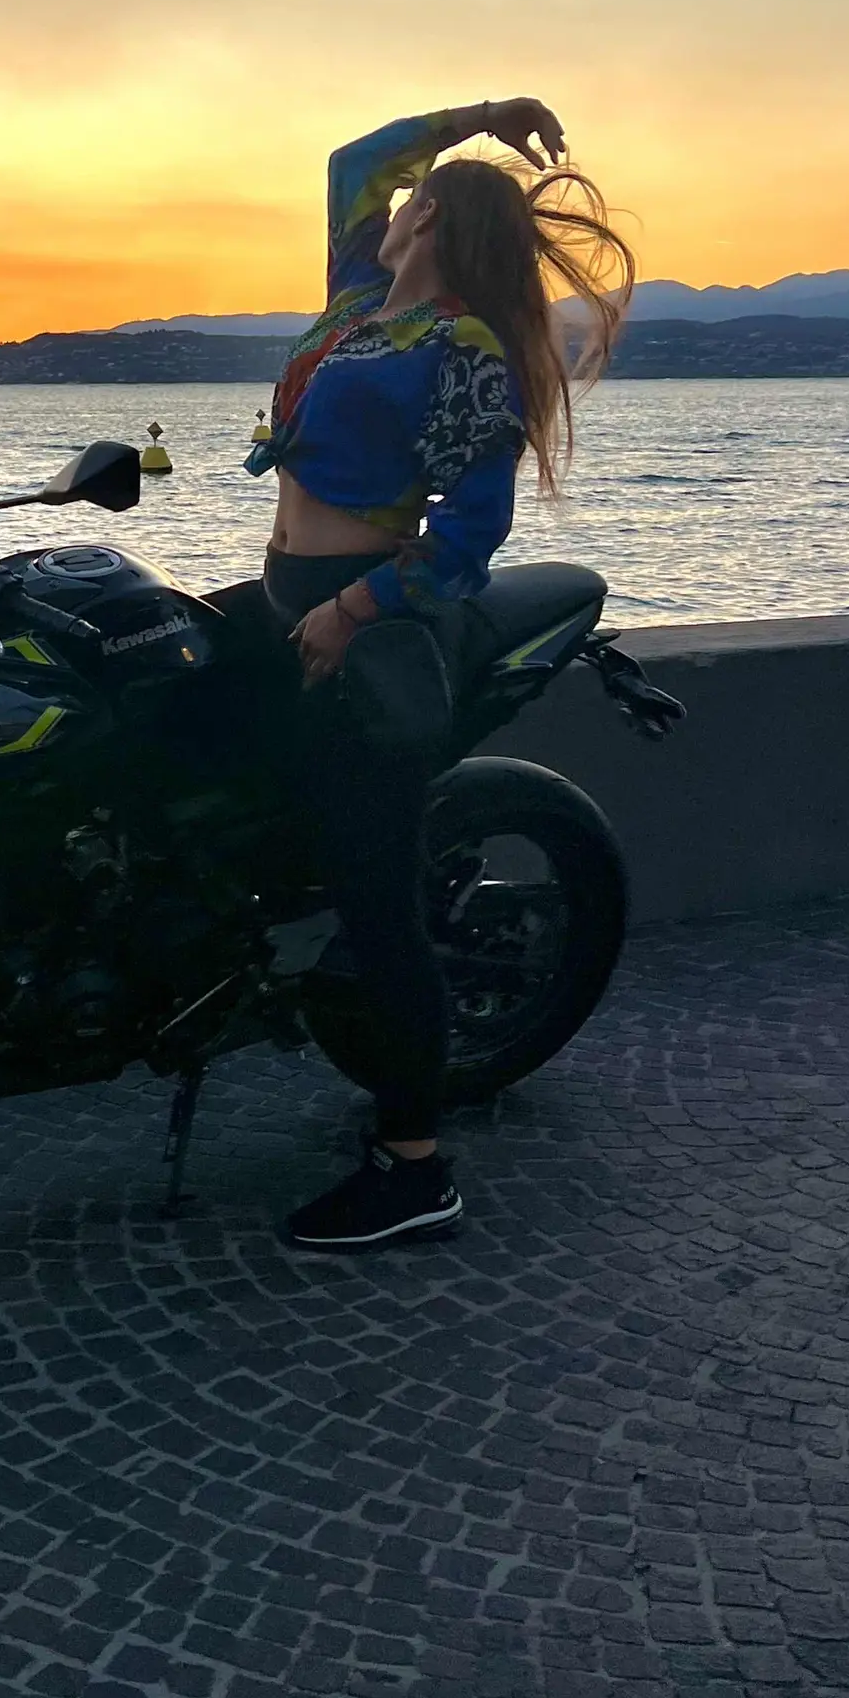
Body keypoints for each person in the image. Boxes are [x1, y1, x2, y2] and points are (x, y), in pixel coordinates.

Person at [247, 97, 632, 1251]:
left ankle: (415, 1170)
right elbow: (352, 158)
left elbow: (468, 536)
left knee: (379, 898)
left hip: (360, 620)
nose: (396, 197)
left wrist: (352, 611)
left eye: (417, 194)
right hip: (288, 600)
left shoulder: (464, 347)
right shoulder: (358, 300)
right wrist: (482, 115)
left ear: (436, 222)